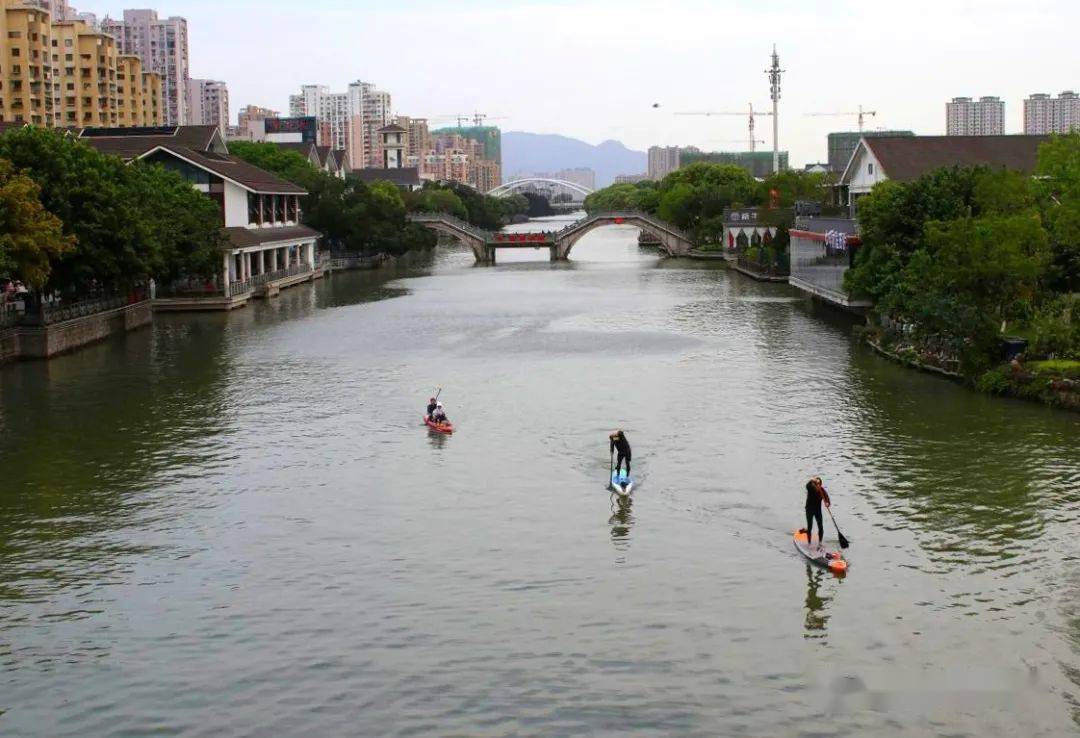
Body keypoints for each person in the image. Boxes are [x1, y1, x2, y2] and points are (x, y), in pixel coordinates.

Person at [804, 477, 832, 549]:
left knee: (821, 527)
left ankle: (820, 543)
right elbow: (807, 485)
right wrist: (811, 480)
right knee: (810, 526)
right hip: (809, 509)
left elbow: (827, 498)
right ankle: (809, 543)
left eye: (819, 484)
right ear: (814, 484)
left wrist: (827, 503)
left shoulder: (822, 490)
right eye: (817, 484)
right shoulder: (811, 489)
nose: (818, 485)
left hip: (817, 510)